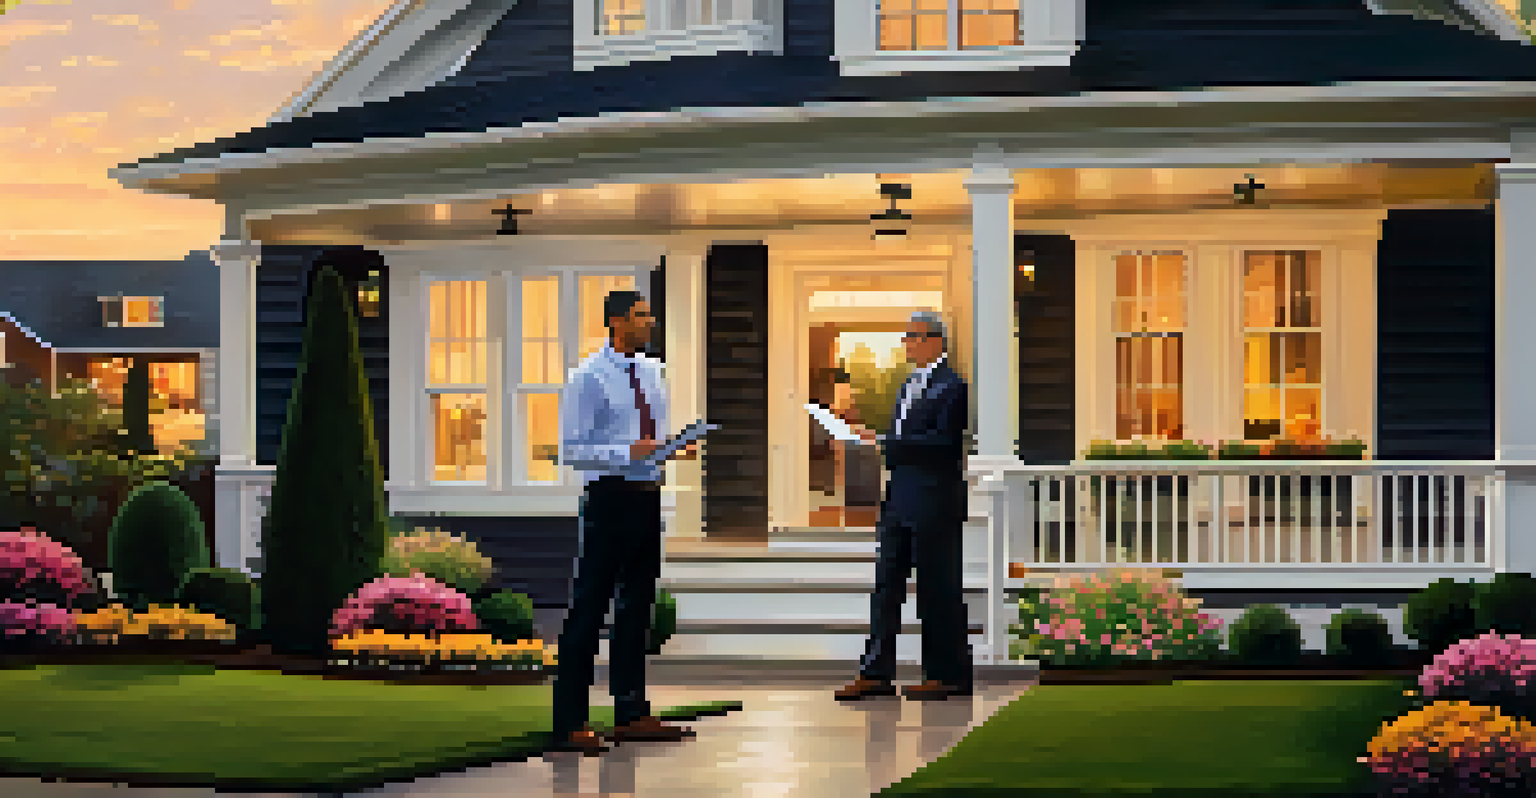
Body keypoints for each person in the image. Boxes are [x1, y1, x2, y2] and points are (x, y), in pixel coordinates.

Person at [553, 289, 699, 754]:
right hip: (608, 499)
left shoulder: (652, 373)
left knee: (637, 607)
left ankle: (631, 712)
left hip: (645, 496)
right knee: (590, 606)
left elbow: (648, 440)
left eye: (649, 314)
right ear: (617, 322)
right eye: (641, 316)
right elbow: (571, 449)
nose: (650, 322)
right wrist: (623, 453)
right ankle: (569, 721)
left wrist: (670, 449)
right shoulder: (588, 378)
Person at [835, 310, 974, 701]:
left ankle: (946, 674)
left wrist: (883, 441)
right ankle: (876, 672)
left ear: (934, 341)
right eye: (906, 337)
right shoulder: (905, 386)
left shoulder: (953, 387)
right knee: (886, 586)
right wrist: (881, 445)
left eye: (912, 337)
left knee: (936, 587)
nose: (906, 344)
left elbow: (945, 444)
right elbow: (902, 445)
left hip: (935, 497)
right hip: (899, 495)